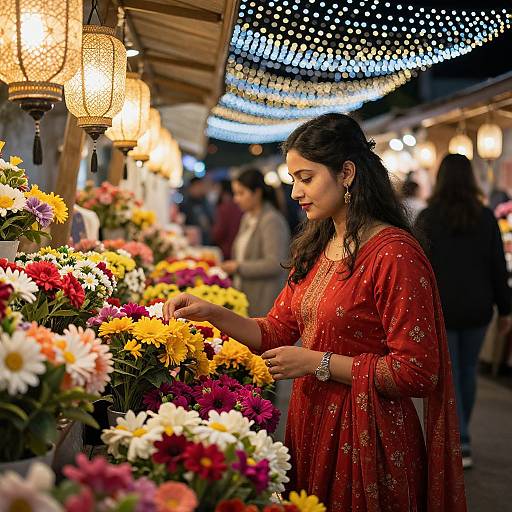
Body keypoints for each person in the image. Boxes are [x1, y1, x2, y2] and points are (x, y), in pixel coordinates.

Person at [164, 114, 466, 512]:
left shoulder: (393, 254)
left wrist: (317, 362)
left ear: (346, 173)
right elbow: (274, 331)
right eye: (293, 180)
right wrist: (210, 312)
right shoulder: (321, 245)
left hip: (367, 437)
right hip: (312, 423)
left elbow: (418, 372)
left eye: (306, 178)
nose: (295, 193)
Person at [416, 153, 512, 469]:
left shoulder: (428, 218)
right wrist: (506, 310)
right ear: (471, 179)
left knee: (449, 375)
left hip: (439, 308)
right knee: (467, 372)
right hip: (477, 307)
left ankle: (455, 439)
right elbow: (498, 266)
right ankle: (463, 438)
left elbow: (416, 268)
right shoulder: (485, 217)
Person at [220, 168, 290, 317]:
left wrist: (238, 267)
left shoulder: (271, 220)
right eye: (235, 193)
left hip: (263, 297)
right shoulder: (247, 218)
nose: (236, 199)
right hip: (246, 293)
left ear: (257, 193)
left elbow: (275, 263)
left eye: (241, 193)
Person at [211, 180, 243, 260]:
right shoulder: (241, 208)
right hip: (238, 251)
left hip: (226, 251)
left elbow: (219, 233)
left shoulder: (225, 208)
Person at [180, 177, 213, 245]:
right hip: (191, 241)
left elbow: (212, 220)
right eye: (197, 186)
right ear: (191, 188)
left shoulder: (206, 203)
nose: (200, 189)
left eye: (201, 186)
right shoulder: (185, 205)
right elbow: (182, 224)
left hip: (206, 240)